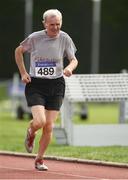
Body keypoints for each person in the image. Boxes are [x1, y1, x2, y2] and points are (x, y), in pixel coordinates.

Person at [15, 9, 78, 171]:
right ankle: (31, 131)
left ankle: (39, 159)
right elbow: (18, 51)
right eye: (52, 25)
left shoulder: (65, 38)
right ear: (44, 24)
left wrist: (70, 68)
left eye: (58, 24)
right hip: (36, 84)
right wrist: (23, 72)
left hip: (56, 84)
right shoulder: (35, 38)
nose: (55, 28)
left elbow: (73, 59)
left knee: (49, 126)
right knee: (40, 122)